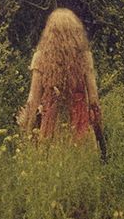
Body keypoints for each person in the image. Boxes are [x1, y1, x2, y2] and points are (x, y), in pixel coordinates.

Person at [17, 8, 104, 154]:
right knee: (82, 169)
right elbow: (94, 99)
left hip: (51, 127)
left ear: (50, 33)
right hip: (80, 127)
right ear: (76, 32)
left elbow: (32, 101)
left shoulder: (40, 58)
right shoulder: (85, 58)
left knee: (52, 166)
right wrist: (99, 130)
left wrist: (26, 134)